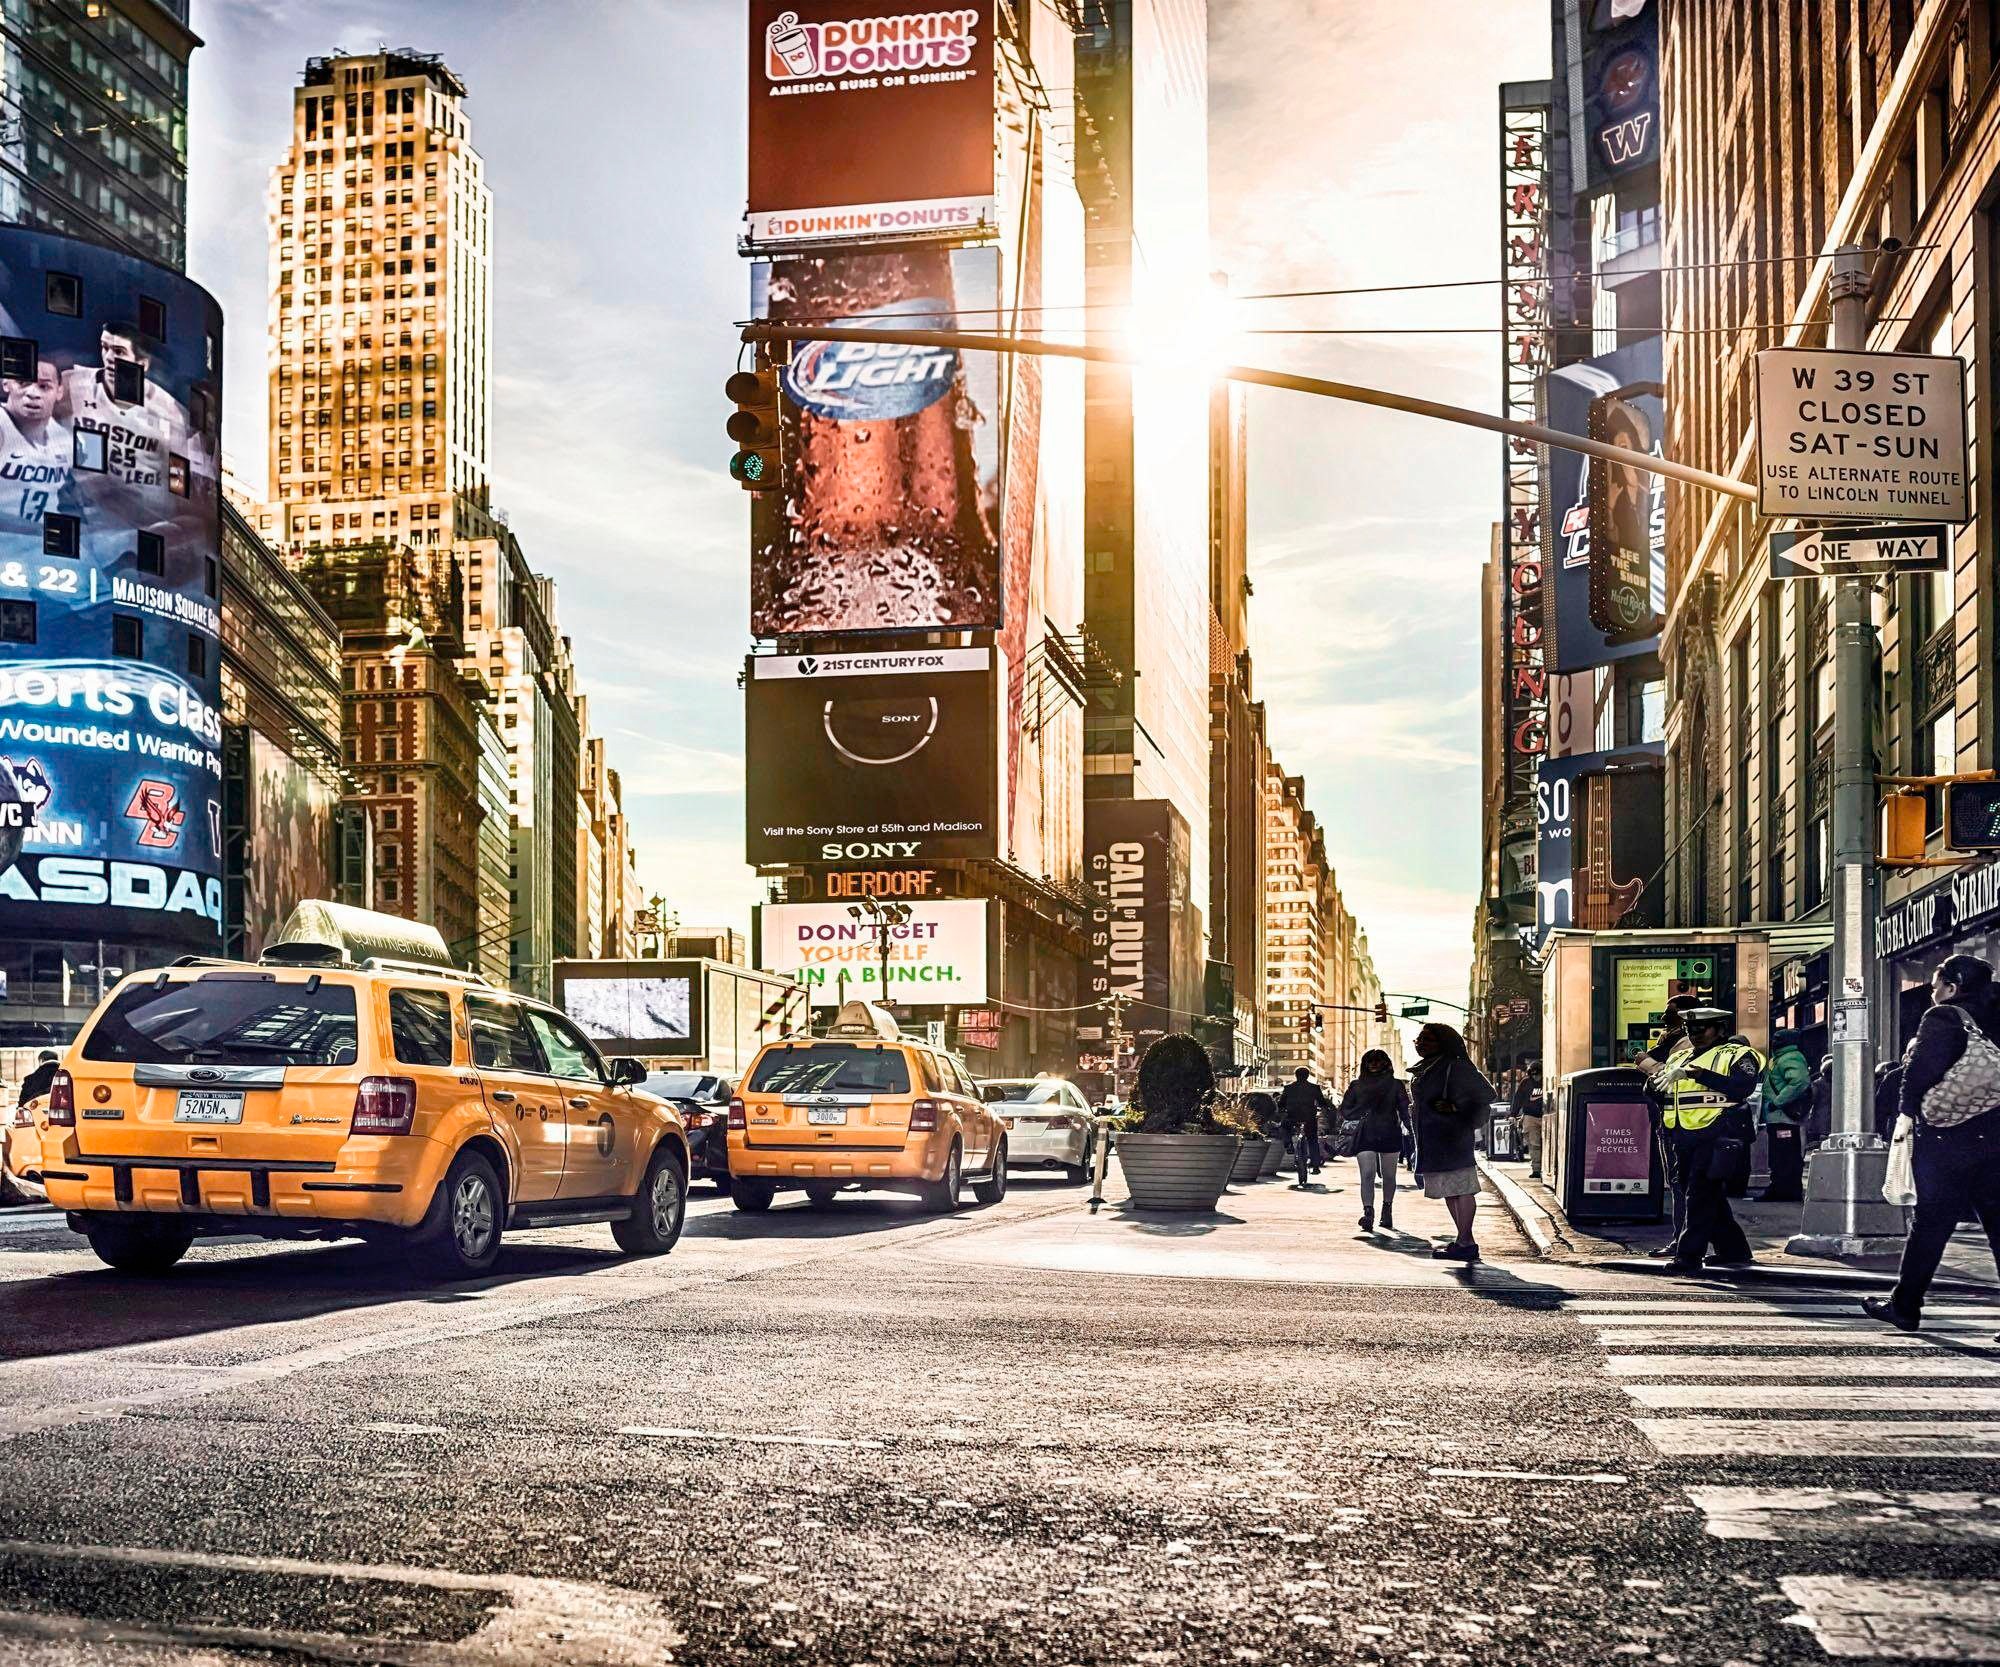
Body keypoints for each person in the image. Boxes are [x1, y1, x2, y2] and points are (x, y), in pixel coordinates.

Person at [1864, 954, 2000, 1332]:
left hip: (1948, 1139)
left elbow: (1919, 1073)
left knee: (1931, 1224)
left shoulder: (1944, 1017)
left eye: (1936, 985)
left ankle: (1905, 1306)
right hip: (1996, 1138)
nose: (1932, 993)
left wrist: (1907, 1113)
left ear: (1953, 987)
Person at [1658, 1007, 1764, 1273]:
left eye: (1701, 1030)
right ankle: (1733, 1250)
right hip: (1683, 1135)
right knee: (1707, 1196)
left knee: (1699, 1195)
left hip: (1718, 1134)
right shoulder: (1678, 1058)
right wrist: (1652, 1086)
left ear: (1719, 1030)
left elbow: (1743, 1087)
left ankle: (1688, 1256)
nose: (1695, 1035)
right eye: (1689, 1030)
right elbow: (1666, 1096)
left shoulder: (1738, 1054)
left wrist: (1698, 1074)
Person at [1409, 1023, 1496, 1262]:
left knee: (1462, 1188)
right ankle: (1462, 1240)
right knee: (1450, 1190)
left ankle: (1466, 1242)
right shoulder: (1428, 1067)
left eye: (1428, 1039)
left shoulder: (1455, 1066)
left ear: (1443, 1042)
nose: (1421, 1043)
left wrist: (1456, 1106)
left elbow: (1488, 1094)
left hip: (1453, 1136)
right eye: (1419, 1038)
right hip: (1432, 1138)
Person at [1337, 1049, 1411, 1233]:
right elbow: (1345, 1109)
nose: (1374, 1064)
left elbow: (1404, 1110)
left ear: (1386, 1063)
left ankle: (1387, 1208)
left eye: (1378, 1061)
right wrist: (1362, 1111)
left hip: (1389, 1132)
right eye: (1370, 1061)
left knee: (1389, 1175)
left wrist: (1412, 1131)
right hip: (1366, 1134)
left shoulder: (1396, 1085)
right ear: (1365, 1064)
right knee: (1367, 1174)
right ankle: (1368, 1212)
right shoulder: (1356, 1085)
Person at [1758, 1031, 1812, 1202]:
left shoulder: (1790, 1057)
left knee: (1785, 1155)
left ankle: (1784, 1190)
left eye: (1778, 1038)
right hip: (1778, 1118)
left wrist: (1778, 1101)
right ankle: (1784, 1188)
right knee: (1781, 1155)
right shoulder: (1780, 1058)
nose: (1774, 1040)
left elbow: (1800, 1081)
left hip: (1784, 1118)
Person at [1276, 1068, 1329, 1188]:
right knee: (1312, 1139)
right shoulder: (1314, 1088)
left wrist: (1283, 1109)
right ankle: (1315, 1166)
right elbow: (1322, 1102)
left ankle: (1288, 1145)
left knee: (1284, 1127)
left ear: (1295, 1075)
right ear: (1308, 1076)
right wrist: (1322, 1107)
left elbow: (1281, 1103)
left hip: (1292, 1117)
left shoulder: (1289, 1088)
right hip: (1310, 1118)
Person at [1510, 1061, 1546, 1179]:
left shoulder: (1545, 1081)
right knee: (1534, 1144)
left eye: (1538, 1074)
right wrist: (1513, 1114)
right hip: (1530, 1117)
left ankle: (1545, 1168)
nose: (1536, 1077)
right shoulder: (1525, 1083)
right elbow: (1518, 1098)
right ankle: (1536, 1169)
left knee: (1545, 1144)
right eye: (1534, 1075)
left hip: (1545, 1116)